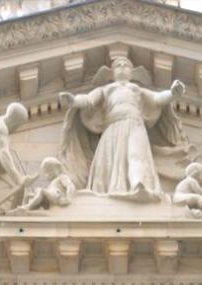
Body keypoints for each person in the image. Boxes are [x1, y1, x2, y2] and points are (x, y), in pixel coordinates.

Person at [59, 56, 192, 199]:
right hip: (113, 127)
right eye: (118, 65)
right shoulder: (106, 89)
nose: (122, 66)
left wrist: (172, 93)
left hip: (135, 125)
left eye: (126, 65)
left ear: (132, 73)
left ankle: (139, 184)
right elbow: (88, 100)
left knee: (137, 154)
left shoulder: (136, 89)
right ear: (112, 73)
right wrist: (74, 100)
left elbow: (156, 98)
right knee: (109, 160)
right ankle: (109, 188)